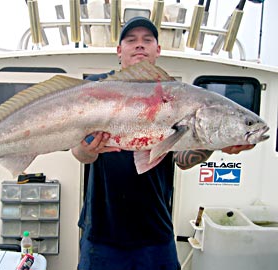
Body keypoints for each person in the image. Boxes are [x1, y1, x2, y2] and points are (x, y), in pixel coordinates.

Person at [72, 16, 254, 270]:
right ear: (119, 51)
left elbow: (182, 160)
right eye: (131, 40)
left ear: (158, 50)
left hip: (155, 234)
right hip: (102, 232)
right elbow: (80, 153)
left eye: (147, 40)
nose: (139, 45)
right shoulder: (95, 88)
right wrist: (85, 150)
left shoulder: (177, 96)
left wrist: (213, 142)